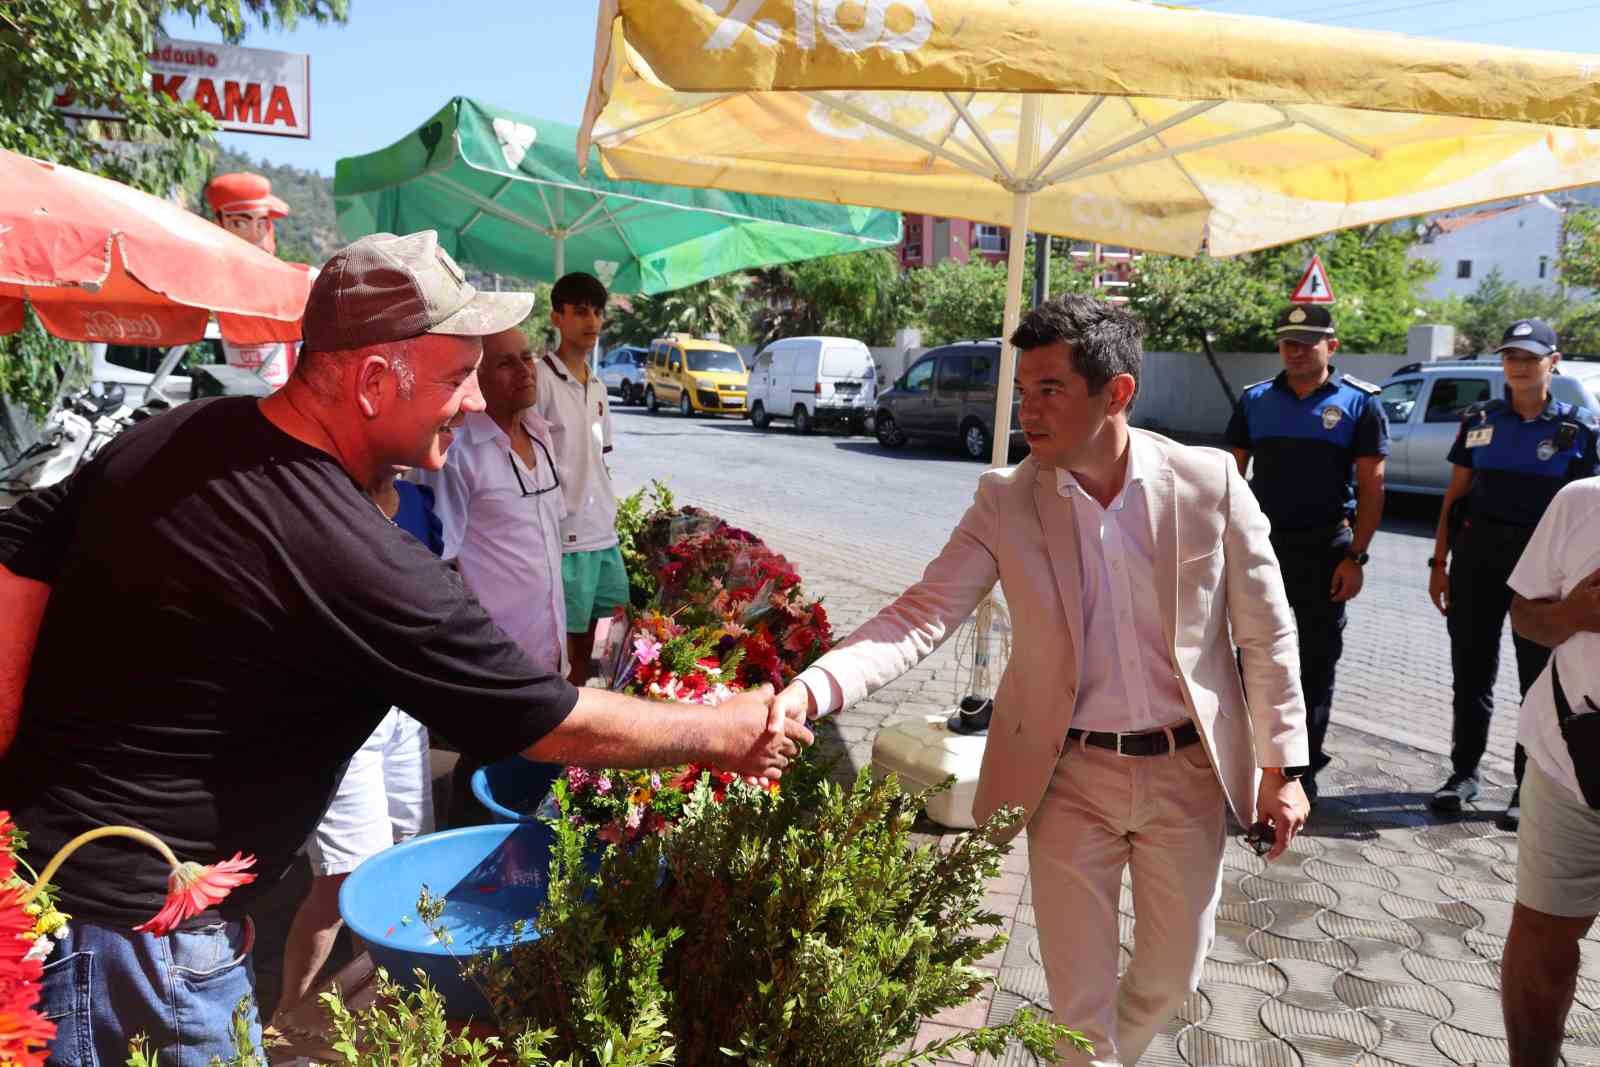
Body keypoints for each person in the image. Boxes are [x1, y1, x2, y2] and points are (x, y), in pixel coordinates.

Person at [0, 230, 809, 1067]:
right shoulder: (349, 552)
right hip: (147, 954)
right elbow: (545, 719)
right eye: (457, 379)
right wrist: (725, 732)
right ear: (374, 383)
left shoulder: (184, 431)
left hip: (54, 895)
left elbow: (20, 538)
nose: (468, 403)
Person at [773, 296, 1310, 1066]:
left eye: (1050, 389)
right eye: (1022, 390)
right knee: (1075, 1008)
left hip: (1186, 772)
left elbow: (1266, 630)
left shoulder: (1208, 482)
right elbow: (919, 614)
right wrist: (810, 691)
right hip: (1068, 775)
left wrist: (1282, 766)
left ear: (1116, 393)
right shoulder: (1006, 497)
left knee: (1172, 977)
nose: (1028, 409)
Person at [273, 472, 443, 1028]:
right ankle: (285, 1024)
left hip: (401, 707)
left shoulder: (416, 500)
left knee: (408, 856)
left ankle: (373, 1002)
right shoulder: (311, 499)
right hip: (342, 720)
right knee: (344, 878)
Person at [1426, 319, 1599, 830]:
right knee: (1471, 672)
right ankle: (1463, 774)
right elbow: (1455, 498)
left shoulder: (1579, 430)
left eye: (1530, 357)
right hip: (1479, 560)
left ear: (1553, 361)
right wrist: (1440, 564)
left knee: (1539, 678)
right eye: (1511, 357)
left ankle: (1530, 784)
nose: (1519, 366)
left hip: (1546, 576)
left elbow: (1588, 513)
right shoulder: (1480, 420)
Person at [1224, 303, 1387, 804]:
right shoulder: (1255, 401)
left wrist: (1355, 557)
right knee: (1253, 654)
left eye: (1306, 343)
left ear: (1330, 347)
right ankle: (1245, 759)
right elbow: (1229, 477)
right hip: (1262, 550)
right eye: (1287, 342)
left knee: (1317, 663)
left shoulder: (1359, 405)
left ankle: (1302, 766)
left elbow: (1373, 484)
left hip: (1325, 550)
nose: (1294, 351)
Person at [416, 325, 569, 825]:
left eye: (528, 357)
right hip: (498, 657)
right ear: (476, 378)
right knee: (484, 781)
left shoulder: (543, 436)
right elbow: (441, 559)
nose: (525, 371)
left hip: (549, 648)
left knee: (535, 780)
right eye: (507, 363)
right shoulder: (458, 452)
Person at [1502, 476, 1600, 1067]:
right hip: (1574, 758)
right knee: (1542, 937)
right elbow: (1525, 616)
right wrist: (1574, 613)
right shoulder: (1583, 500)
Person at [534, 272, 627, 685]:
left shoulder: (600, 387)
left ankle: (581, 712)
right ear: (557, 317)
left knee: (593, 639)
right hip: (562, 532)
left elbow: (601, 459)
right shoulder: (539, 380)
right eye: (579, 311)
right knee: (562, 645)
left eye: (596, 312)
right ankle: (563, 725)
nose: (590, 321)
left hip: (600, 531)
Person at [203, 171, 308, 390]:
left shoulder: (290, 279)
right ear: (220, 223)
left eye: (262, 222)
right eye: (241, 223)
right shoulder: (217, 280)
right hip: (263, 393)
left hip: (273, 391)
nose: (256, 233)